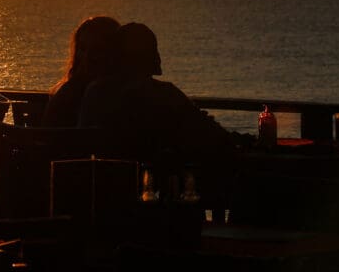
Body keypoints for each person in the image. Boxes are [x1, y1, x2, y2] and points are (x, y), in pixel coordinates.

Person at [77, 21, 240, 165]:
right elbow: (213, 135)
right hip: (151, 183)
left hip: (105, 182)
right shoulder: (163, 93)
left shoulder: (95, 92)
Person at [41, 15, 121, 127]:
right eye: (83, 48)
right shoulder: (76, 92)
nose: (87, 56)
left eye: (97, 49)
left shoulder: (75, 88)